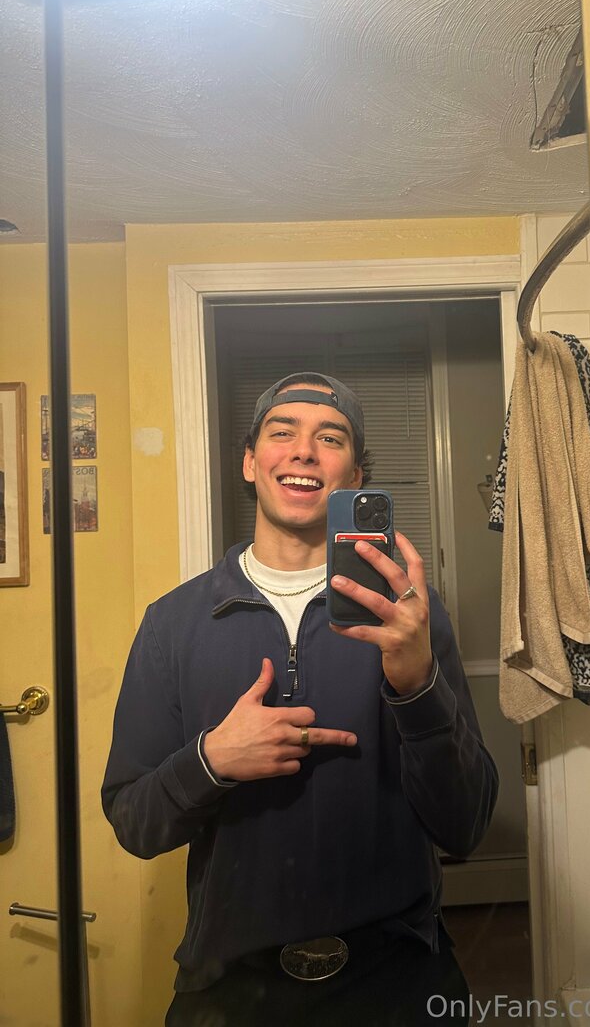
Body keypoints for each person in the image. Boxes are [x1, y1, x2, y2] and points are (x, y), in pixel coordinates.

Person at [102, 372, 499, 1025]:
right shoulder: (173, 624)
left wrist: (417, 685)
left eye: (331, 438)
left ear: (355, 476)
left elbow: (466, 826)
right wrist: (211, 760)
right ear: (250, 462)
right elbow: (134, 824)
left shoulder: (408, 616)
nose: (304, 451)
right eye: (282, 432)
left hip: (398, 979)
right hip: (229, 989)